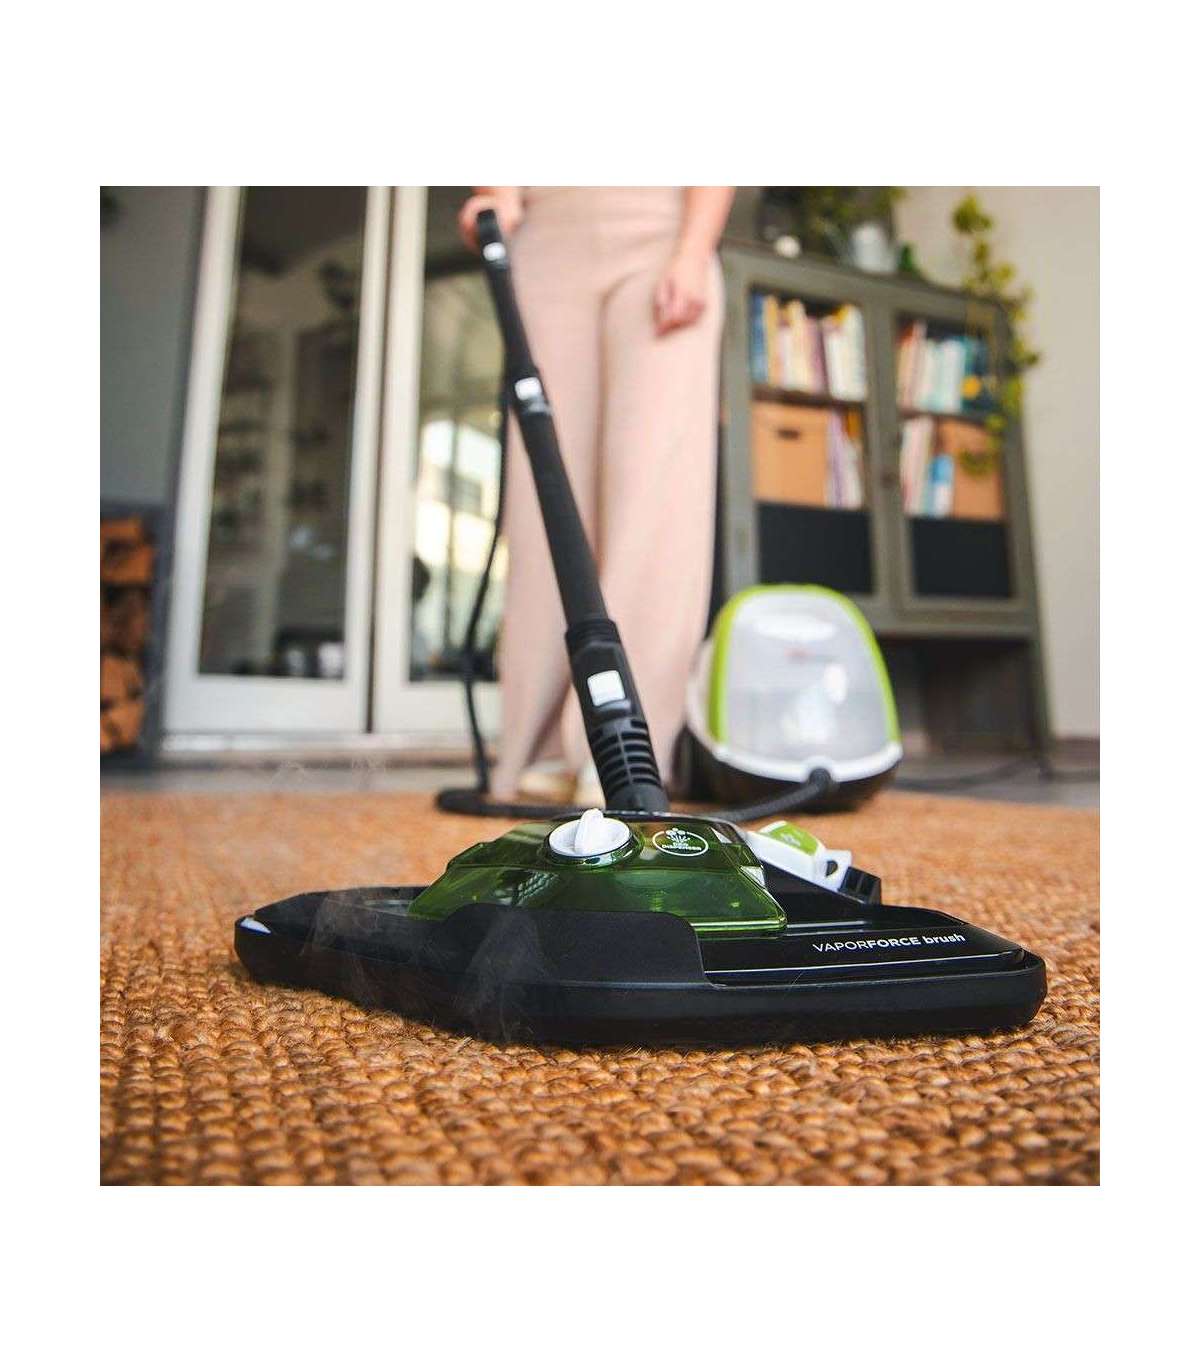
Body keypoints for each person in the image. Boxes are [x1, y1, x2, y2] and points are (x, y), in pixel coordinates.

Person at [458, 186, 734, 805]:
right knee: (546, 502)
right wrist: (498, 193)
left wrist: (693, 250)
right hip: (548, 243)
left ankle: (623, 750)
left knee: (651, 496)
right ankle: (539, 749)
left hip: (660, 231)